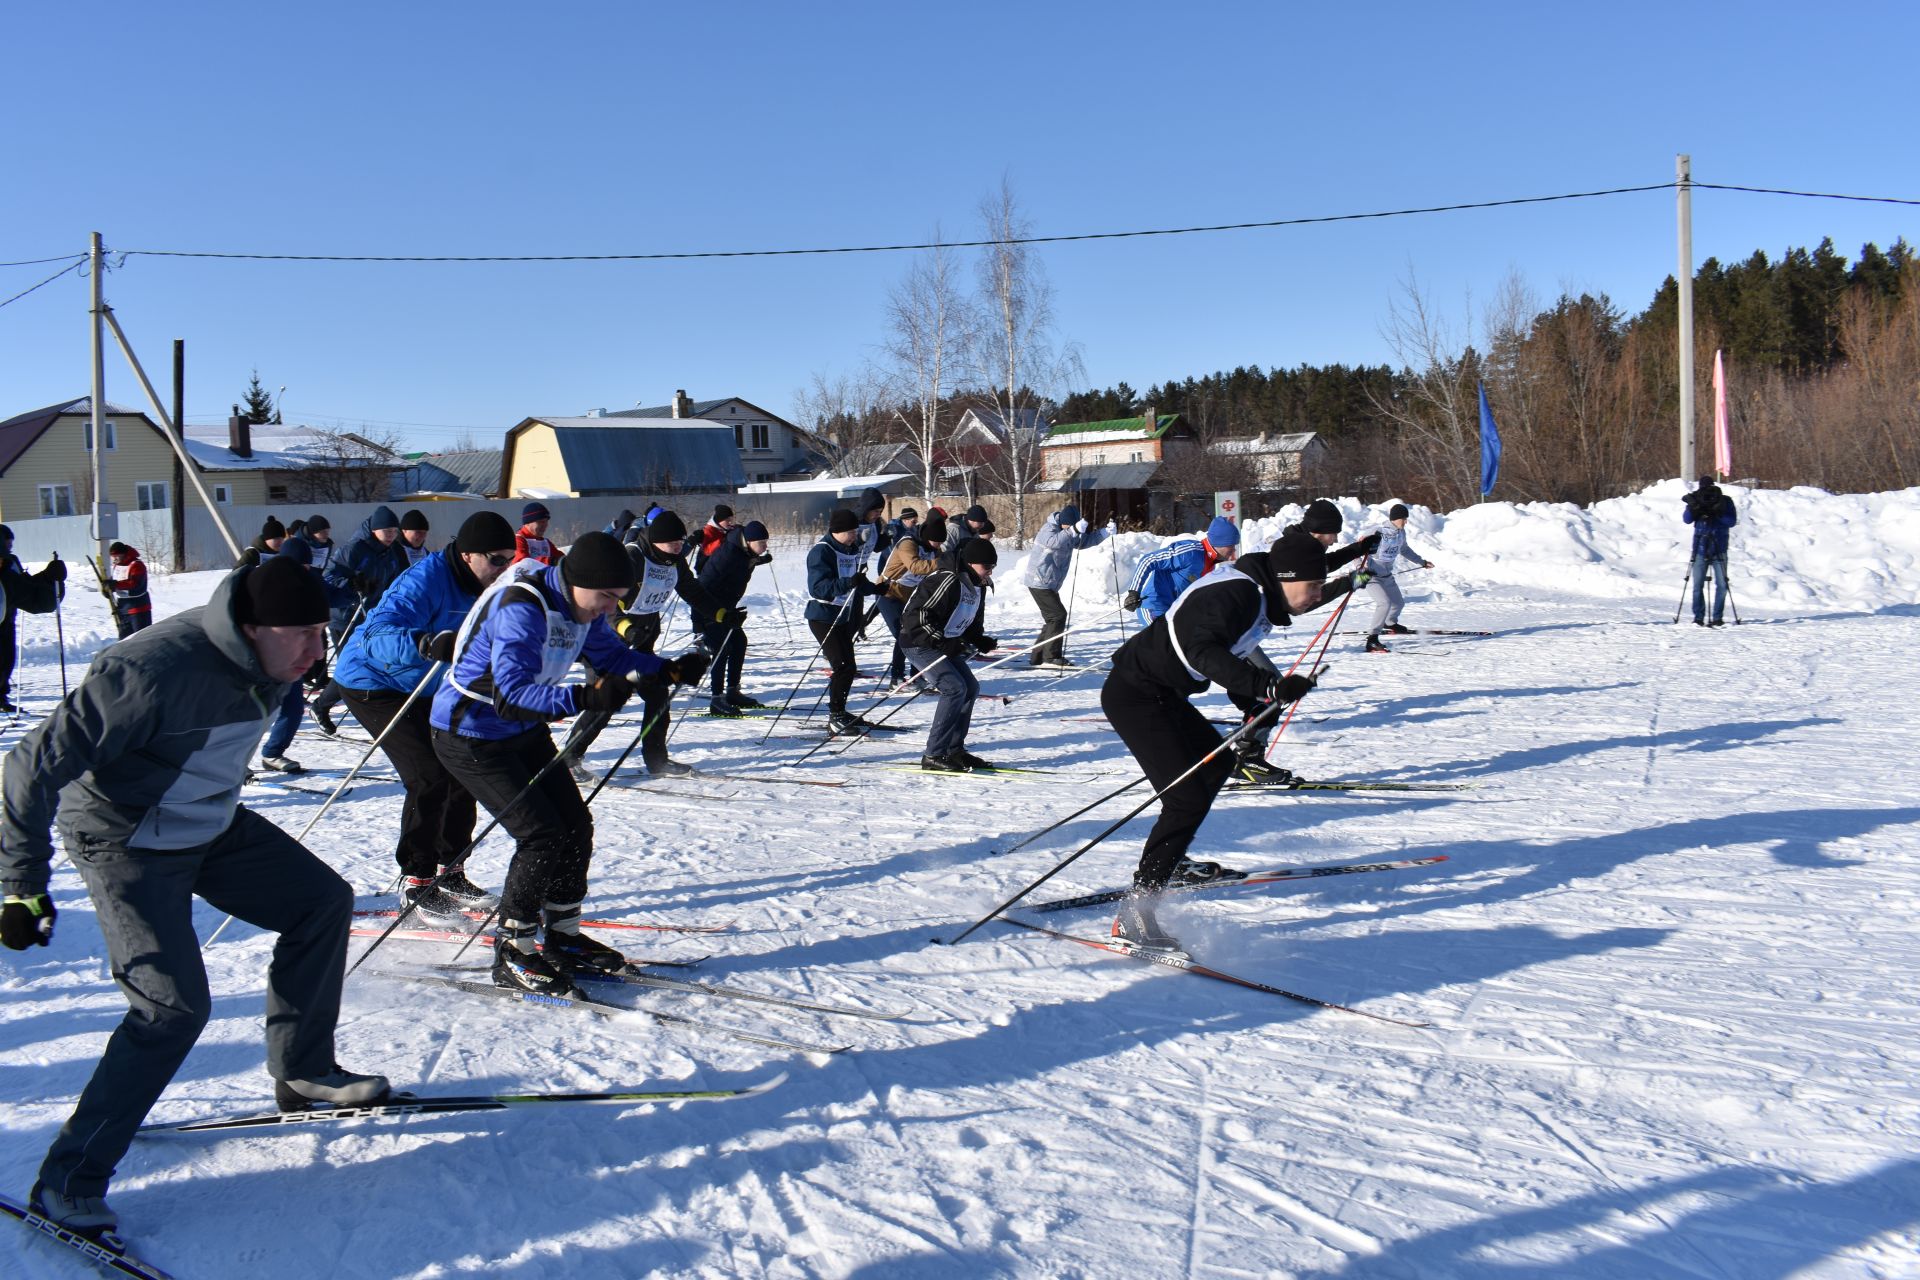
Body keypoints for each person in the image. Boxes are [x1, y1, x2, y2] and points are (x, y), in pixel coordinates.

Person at [0, 557, 389, 1238]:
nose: (313, 651)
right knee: (171, 1010)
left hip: (205, 820)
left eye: (321, 633)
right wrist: (20, 884)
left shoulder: (278, 661)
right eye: (298, 635)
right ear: (248, 627)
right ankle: (69, 1179)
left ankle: (302, 1071)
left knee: (321, 901)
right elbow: (28, 767)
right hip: (124, 836)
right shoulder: (151, 670)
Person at [430, 532, 707, 996]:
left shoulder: (580, 607)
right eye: (605, 597)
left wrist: (666, 668)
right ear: (579, 581)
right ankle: (514, 949)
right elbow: (511, 695)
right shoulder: (523, 609)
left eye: (617, 600)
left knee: (575, 824)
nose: (608, 609)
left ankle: (562, 936)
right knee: (541, 833)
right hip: (470, 733)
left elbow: (612, 654)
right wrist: (586, 696)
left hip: (521, 731)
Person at [1099, 549, 1322, 953]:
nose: (1318, 595)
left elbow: (1225, 651)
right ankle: (1137, 908)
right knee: (1184, 800)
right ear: (1287, 578)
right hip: (1135, 696)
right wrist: (1267, 686)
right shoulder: (1239, 595)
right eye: (1314, 587)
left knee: (1218, 761)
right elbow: (1203, 650)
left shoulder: (1256, 595)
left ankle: (1172, 860)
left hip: (1162, 694)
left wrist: (1253, 702)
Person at [331, 511, 518, 921]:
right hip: (373, 681)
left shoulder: (492, 585)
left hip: (430, 682)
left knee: (462, 765)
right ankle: (417, 879)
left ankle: (451, 870)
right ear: (468, 555)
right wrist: (424, 642)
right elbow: (380, 633)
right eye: (497, 559)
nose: (505, 568)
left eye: (511, 559)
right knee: (429, 771)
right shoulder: (425, 579)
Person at [559, 510, 728, 781]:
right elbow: (605, 601)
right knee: (605, 701)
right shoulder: (632, 557)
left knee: (658, 697)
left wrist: (721, 614)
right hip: (607, 641)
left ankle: (657, 760)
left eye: (680, 543)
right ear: (657, 540)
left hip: (642, 641)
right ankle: (569, 757)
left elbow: (692, 591)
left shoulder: (674, 561)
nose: (678, 548)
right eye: (672, 543)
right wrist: (626, 628)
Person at [901, 538, 1000, 772]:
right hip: (918, 642)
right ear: (970, 563)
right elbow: (916, 617)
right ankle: (934, 754)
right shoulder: (947, 580)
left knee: (970, 688)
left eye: (992, 567)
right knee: (954, 688)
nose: (990, 571)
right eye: (986, 566)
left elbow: (970, 618)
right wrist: (942, 642)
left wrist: (978, 639)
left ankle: (954, 750)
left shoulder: (977, 584)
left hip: (943, 642)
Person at [313, 506, 411, 734]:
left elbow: (405, 578)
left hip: (375, 616)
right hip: (346, 615)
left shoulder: (395, 551)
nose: (391, 535)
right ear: (375, 530)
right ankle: (321, 706)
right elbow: (330, 577)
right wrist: (353, 584)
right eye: (386, 530)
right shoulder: (355, 548)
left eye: (394, 531)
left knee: (377, 662)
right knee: (352, 665)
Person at [263, 532, 355, 772]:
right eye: (297, 565)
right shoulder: (267, 580)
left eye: (305, 565)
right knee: (251, 716)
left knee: (293, 709)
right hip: (262, 660)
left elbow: (334, 596)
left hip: (291, 658)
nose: (302, 570)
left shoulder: (311, 577)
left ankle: (273, 753)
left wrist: (354, 589)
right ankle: (236, 763)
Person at [805, 508, 882, 736]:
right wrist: (848, 583)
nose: (854, 536)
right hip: (822, 616)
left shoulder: (851, 549)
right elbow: (818, 588)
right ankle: (835, 716)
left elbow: (857, 580)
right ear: (837, 531)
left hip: (841, 615)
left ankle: (840, 710)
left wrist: (876, 589)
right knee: (842, 666)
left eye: (855, 532)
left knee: (850, 666)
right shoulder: (821, 552)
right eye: (851, 532)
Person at [694, 519, 773, 716]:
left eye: (766, 542)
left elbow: (743, 564)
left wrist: (759, 560)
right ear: (749, 541)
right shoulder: (728, 555)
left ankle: (732, 691)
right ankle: (716, 698)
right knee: (722, 648)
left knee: (739, 642)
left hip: (727, 609)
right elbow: (702, 585)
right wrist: (700, 623)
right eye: (762, 543)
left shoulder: (745, 552)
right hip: (710, 609)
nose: (765, 547)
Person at [1023, 504, 1111, 668]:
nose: (1070, 529)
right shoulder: (1048, 529)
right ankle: (1051, 656)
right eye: (1068, 526)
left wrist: (1103, 533)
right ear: (1063, 522)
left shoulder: (1068, 530)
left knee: (1052, 618)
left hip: (1049, 583)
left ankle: (1038, 656)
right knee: (1057, 616)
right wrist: (1073, 530)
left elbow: (1081, 542)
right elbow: (1053, 542)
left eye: (1072, 526)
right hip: (1038, 581)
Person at [1122, 516, 1240, 625]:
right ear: (1220, 542)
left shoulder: (1211, 565)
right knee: (1166, 641)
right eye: (1231, 545)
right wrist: (1133, 592)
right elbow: (1148, 560)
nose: (1233, 550)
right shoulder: (1190, 552)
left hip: (1175, 613)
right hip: (1154, 606)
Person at [0, 525, 65, 713]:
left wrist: (48, 578)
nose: (9, 550)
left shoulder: (9, 564)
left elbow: (26, 588)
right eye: (7, 546)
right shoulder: (6, 567)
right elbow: (30, 595)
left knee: (5, 660)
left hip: (5, 619)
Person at [878, 511, 946, 686]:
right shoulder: (907, 543)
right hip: (889, 593)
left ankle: (917, 675)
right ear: (926, 537)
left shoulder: (934, 548)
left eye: (940, 542)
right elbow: (915, 566)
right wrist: (943, 562)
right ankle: (896, 677)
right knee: (903, 635)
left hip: (911, 595)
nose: (938, 545)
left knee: (918, 633)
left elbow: (939, 569)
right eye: (936, 541)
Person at [1358, 503, 1434, 653]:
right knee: (1384, 603)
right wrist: (1360, 567)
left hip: (1386, 576)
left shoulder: (1400, 533)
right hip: (1371, 576)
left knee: (1398, 603)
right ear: (1396, 518)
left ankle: (1390, 623)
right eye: (1404, 519)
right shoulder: (1377, 532)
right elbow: (1357, 547)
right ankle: (1372, 639)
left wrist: (1422, 562)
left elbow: (1404, 549)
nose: (1406, 522)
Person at [1683, 476, 1738, 626]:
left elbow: (1731, 521)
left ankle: (1717, 617)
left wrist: (1717, 511)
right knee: (1697, 586)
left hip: (1719, 548)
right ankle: (1698, 617)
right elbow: (1687, 519)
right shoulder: (1696, 499)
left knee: (1722, 585)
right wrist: (1695, 507)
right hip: (1701, 548)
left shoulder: (1724, 501)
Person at [105, 542, 153, 638]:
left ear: (123, 554)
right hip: (123, 608)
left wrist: (116, 585)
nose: (114, 559)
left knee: (140, 639)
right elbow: (117, 582)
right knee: (124, 640)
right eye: (112, 557)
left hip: (138, 609)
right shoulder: (117, 566)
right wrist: (109, 589)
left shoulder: (137, 565)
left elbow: (136, 585)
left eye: (117, 556)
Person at [692, 504, 736, 572]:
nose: (730, 522)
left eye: (731, 519)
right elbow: (706, 550)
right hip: (705, 567)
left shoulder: (724, 529)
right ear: (719, 520)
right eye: (727, 520)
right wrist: (723, 541)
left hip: (718, 565)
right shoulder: (709, 530)